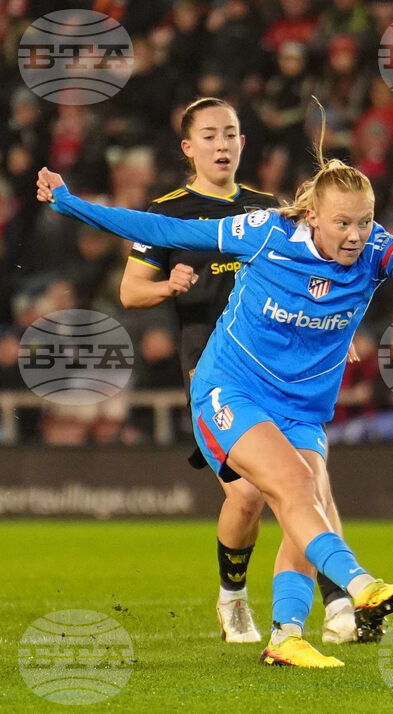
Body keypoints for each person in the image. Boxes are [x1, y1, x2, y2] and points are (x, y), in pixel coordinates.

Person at [36, 125, 393, 668]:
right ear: (313, 216)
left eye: (364, 221)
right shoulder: (266, 232)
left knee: (305, 505)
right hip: (231, 387)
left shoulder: (374, 249)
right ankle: (360, 585)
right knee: (289, 486)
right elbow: (162, 226)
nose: (356, 234)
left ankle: (286, 636)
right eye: (343, 222)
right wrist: (69, 202)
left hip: (303, 408)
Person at [120, 97, 307, 646]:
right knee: (248, 495)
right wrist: (167, 287)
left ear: (243, 142)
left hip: (274, 361)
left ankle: (329, 608)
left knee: (299, 485)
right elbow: (130, 291)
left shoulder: (267, 207)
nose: (221, 144)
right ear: (188, 147)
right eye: (209, 135)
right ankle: (233, 599)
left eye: (230, 134)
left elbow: (300, 280)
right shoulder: (167, 213)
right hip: (209, 362)